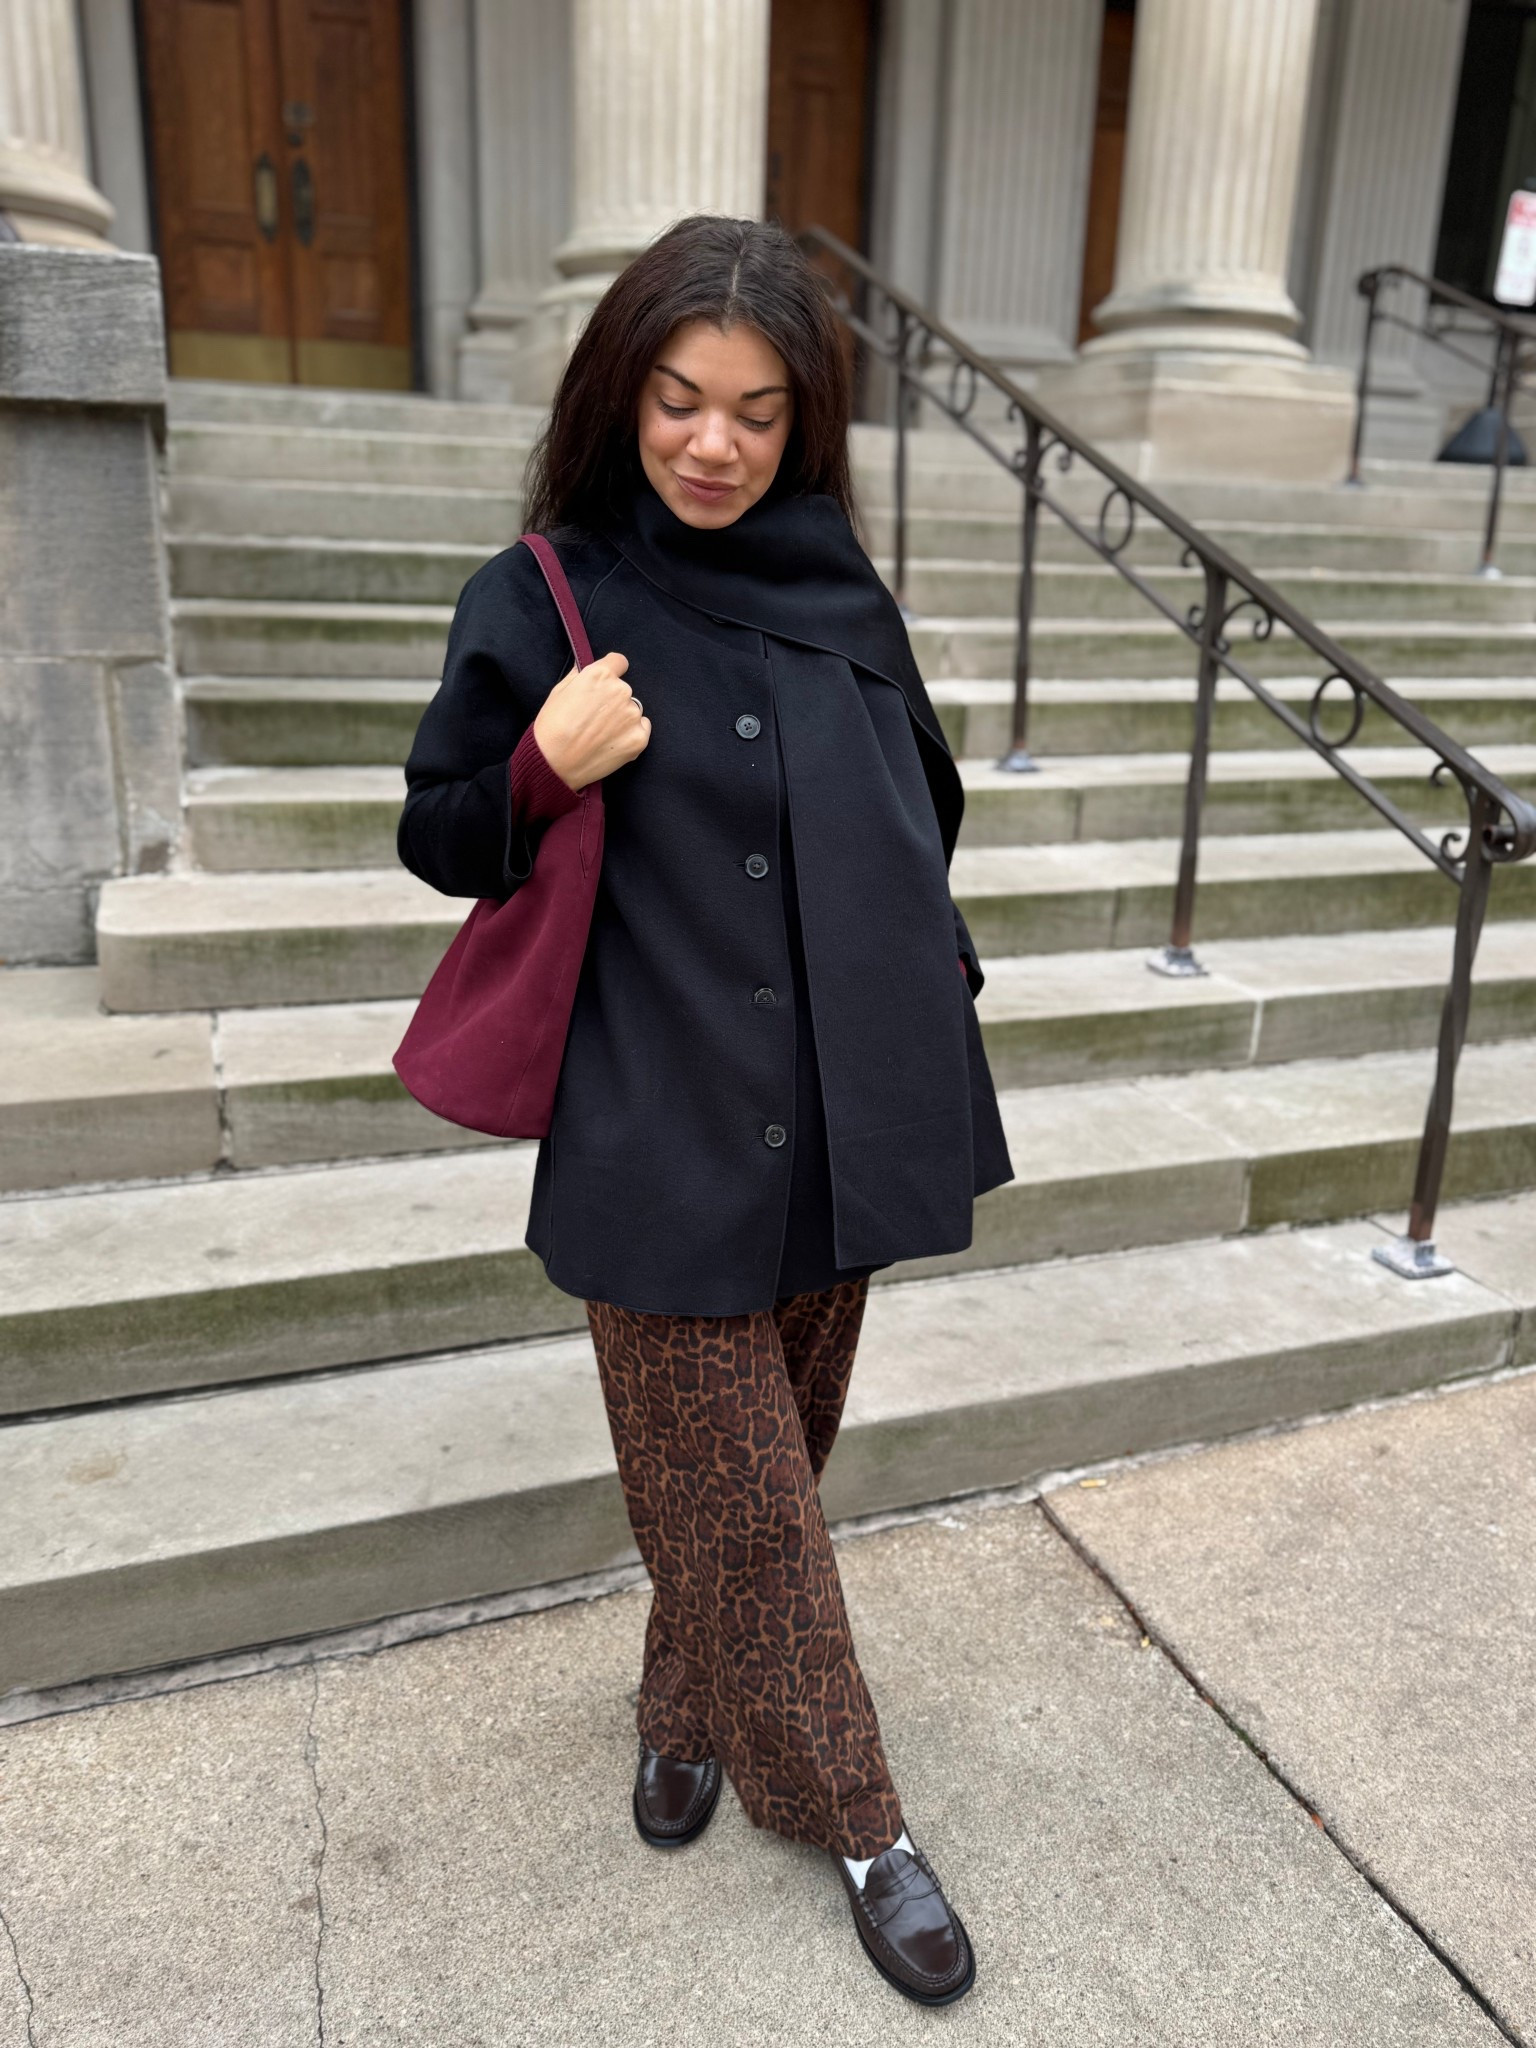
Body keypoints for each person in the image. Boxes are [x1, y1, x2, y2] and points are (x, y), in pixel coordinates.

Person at [397, 213, 1014, 2006]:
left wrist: (931, 1003)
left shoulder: (840, 596)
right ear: (624, 394)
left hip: (847, 1114)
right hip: (657, 1128)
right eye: (678, 401)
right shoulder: (545, 593)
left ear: (803, 422)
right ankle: (867, 1823)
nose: (714, 445)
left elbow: (923, 814)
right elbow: (439, 830)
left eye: (755, 410)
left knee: (759, 1472)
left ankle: (687, 1710)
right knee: (746, 1504)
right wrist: (537, 765)